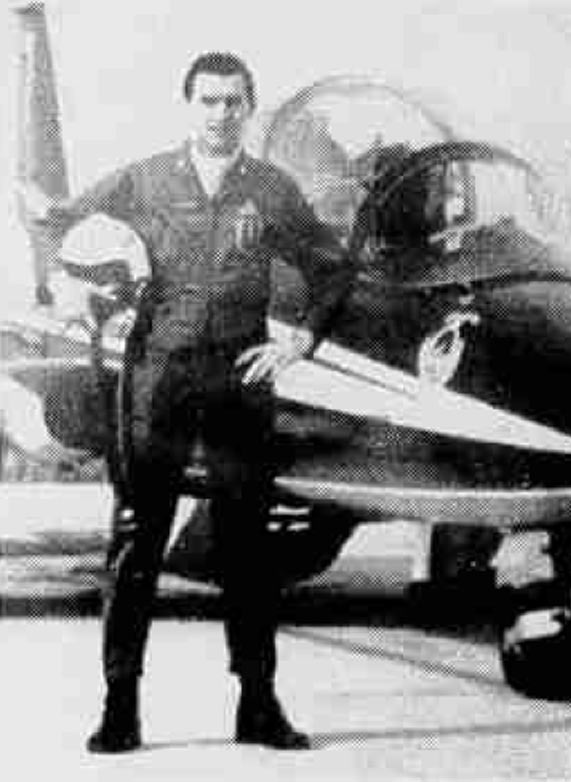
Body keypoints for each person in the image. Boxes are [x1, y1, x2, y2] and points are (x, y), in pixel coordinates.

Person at [26, 52, 354, 753]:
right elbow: (58, 224)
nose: (221, 114)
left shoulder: (271, 188)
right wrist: (68, 287)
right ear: (188, 106)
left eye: (233, 101)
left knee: (248, 550)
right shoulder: (145, 180)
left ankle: (258, 705)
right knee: (136, 541)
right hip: (159, 380)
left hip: (238, 382)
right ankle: (120, 707)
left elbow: (331, 267)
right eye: (208, 100)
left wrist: (299, 343)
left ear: (249, 107)